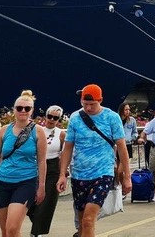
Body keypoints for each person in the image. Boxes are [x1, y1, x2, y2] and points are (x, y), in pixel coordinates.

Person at [57, 84, 132, 237]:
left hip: (102, 173)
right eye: (85, 104)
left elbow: (122, 148)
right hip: (79, 174)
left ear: (101, 100)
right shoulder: (75, 118)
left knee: (89, 219)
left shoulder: (111, 117)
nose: (88, 108)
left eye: (92, 104)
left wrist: (127, 177)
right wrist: (62, 174)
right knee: (81, 222)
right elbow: (68, 148)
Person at [0, 90, 46, 237]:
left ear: (32, 110)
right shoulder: (4, 131)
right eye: (19, 108)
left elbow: (42, 161)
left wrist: (41, 186)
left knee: (12, 229)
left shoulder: (38, 131)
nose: (23, 111)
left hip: (25, 181)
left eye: (27, 108)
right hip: (2, 183)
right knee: (5, 231)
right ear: (14, 109)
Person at [30, 105, 65, 237]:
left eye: (55, 118)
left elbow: (64, 154)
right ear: (45, 116)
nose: (51, 120)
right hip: (35, 166)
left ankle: (36, 232)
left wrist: (63, 173)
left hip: (52, 168)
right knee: (29, 201)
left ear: (59, 119)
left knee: (45, 202)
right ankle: (37, 223)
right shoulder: (37, 130)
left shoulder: (61, 134)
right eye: (49, 116)